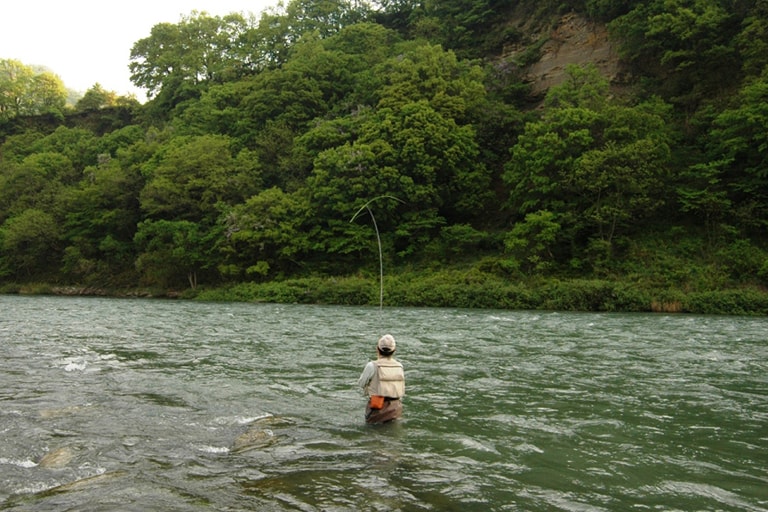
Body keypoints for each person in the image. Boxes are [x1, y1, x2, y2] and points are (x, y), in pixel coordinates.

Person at [357, 334, 405, 424]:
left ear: (377, 349)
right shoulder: (400, 366)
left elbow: (361, 383)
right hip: (396, 408)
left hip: (377, 407)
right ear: (394, 351)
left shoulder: (372, 366)